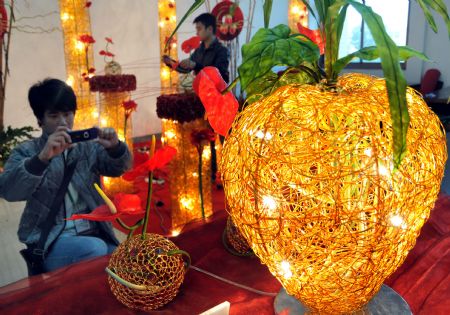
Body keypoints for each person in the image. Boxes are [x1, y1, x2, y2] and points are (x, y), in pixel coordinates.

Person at [0, 78, 131, 273]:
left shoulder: (87, 147)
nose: (63, 122)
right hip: (51, 240)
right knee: (95, 250)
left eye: (68, 114)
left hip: (94, 231)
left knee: (123, 261)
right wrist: (42, 158)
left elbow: (118, 168)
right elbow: (9, 191)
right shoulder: (27, 152)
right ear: (40, 120)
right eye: (54, 116)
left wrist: (115, 148)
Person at [179, 13, 230, 83]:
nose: (197, 33)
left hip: (214, 92)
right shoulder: (198, 50)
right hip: (199, 91)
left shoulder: (222, 51)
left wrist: (195, 65)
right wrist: (172, 64)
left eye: (199, 29)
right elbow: (187, 68)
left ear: (210, 29)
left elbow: (218, 76)